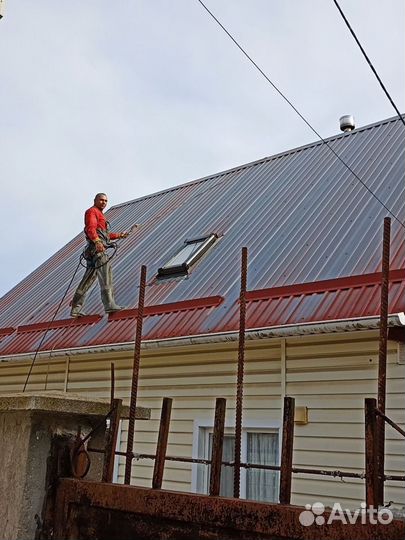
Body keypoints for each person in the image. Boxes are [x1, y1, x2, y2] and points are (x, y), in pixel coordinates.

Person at [70, 193, 131, 317]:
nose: (104, 202)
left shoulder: (99, 215)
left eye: (106, 201)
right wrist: (97, 241)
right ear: (95, 200)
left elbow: (105, 235)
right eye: (101, 200)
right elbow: (90, 229)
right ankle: (109, 304)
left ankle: (75, 308)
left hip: (93, 251)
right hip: (97, 250)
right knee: (106, 275)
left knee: (87, 279)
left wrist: (120, 235)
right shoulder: (92, 212)